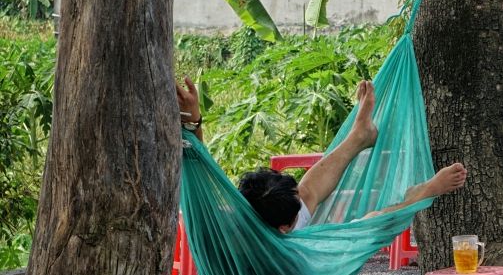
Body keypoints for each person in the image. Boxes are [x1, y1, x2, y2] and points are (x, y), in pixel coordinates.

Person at [176, 77, 467, 232]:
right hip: (294, 269)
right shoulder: (276, 243)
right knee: (368, 223)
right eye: (295, 205)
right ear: (284, 227)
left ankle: (360, 137)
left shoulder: (241, 213)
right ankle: (425, 191)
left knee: (308, 191)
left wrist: (192, 122)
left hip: (273, 235)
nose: (299, 201)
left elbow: (201, 179)